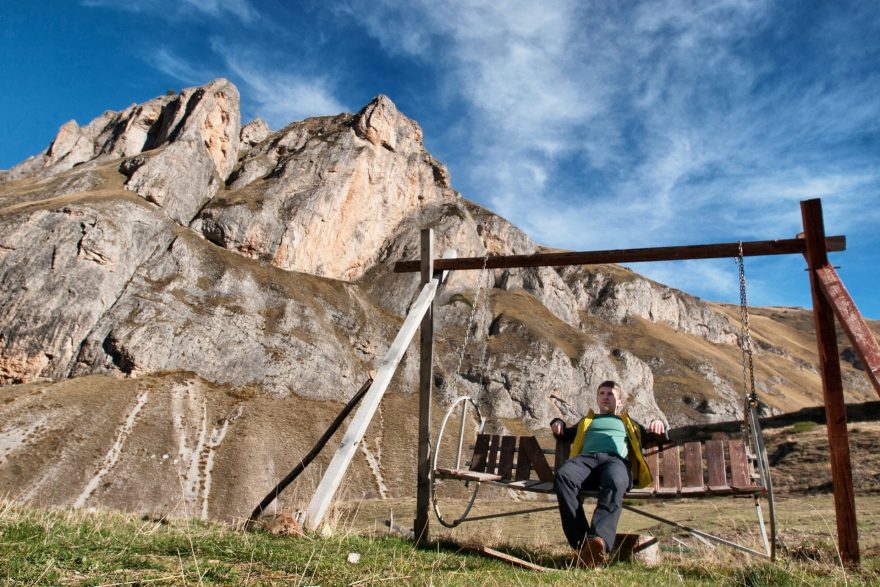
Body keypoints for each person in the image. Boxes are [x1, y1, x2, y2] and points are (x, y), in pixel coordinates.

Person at [550, 380, 667, 567]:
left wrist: (658, 422)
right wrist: (557, 422)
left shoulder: (628, 422)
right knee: (564, 476)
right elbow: (565, 433)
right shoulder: (587, 421)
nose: (605, 397)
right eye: (602, 393)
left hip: (615, 462)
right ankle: (583, 545)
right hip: (586, 460)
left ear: (619, 402)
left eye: (610, 394)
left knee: (615, 480)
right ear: (597, 399)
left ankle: (599, 541)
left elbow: (654, 435)